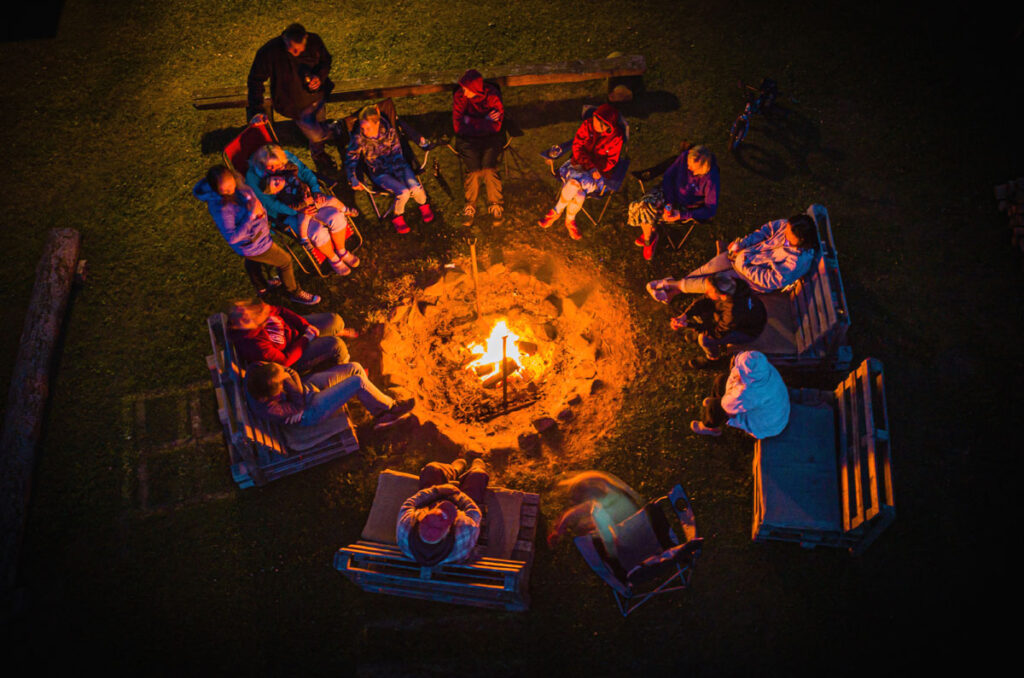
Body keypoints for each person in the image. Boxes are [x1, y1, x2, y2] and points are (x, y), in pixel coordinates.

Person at [193, 165, 320, 305]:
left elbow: (249, 197)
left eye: (232, 186)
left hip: (259, 235)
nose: (231, 191)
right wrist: (251, 216)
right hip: (254, 244)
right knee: (285, 261)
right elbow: (232, 237)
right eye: (226, 191)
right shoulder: (222, 209)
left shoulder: (238, 183)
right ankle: (294, 292)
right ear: (216, 190)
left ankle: (262, 287)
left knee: (253, 261)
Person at [247, 144, 360, 275]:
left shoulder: (286, 157)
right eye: (270, 167)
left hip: (307, 198)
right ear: (260, 164)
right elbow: (271, 204)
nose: (274, 170)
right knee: (318, 232)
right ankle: (333, 259)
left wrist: (316, 191)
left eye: (277, 165)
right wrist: (299, 210)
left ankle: (342, 251)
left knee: (337, 216)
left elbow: (306, 173)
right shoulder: (253, 177)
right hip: (286, 211)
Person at [648, 214, 817, 295]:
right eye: (786, 228)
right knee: (708, 268)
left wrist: (743, 265)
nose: (784, 232)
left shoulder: (797, 262)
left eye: (789, 234)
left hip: (752, 280)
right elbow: (765, 231)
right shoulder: (786, 227)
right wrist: (742, 245)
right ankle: (675, 289)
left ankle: (673, 286)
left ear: (801, 240)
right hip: (742, 256)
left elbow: (770, 280)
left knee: (712, 282)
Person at [247, 23, 339, 164]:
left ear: (306, 38)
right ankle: (336, 131)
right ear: (284, 39)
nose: (296, 54)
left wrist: (319, 77)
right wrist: (257, 109)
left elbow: (326, 61)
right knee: (315, 134)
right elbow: (255, 80)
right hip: (294, 103)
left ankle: (319, 152)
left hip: (317, 96)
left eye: (299, 50)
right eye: (292, 49)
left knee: (319, 123)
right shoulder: (270, 52)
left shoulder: (314, 41)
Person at [538, 103, 625, 240]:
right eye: (595, 119)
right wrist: (591, 166)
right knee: (578, 192)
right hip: (578, 165)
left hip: (596, 174)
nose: (594, 123)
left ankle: (556, 212)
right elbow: (577, 148)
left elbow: (611, 161)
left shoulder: (616, 137)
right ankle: (570, 220)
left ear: (608, 125)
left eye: (599, 122)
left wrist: (594, 169)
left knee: (574, 185)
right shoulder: (587, 125)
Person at [244, 361, 415, 430]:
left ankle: (378, 411)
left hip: (304, 389)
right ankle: (390, 409)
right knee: (357, 381)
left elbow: (289, 371)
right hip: (308, 413)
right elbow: (299, 405)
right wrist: (290, 380)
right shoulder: (269, 409)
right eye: (281, 386)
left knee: (355, 368)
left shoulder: (256, 369)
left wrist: (287, 378)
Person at [345, 104, 434, 234]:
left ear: (377, 123)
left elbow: (397, 151)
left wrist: (399, 171)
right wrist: (353, 177)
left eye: (368, 128)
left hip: (399, 165)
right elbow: (351, 158)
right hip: (380, 172)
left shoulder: (389, 131)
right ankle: (397, 216)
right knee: (403, 192)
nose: (364, 131)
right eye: (362, 128)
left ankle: (424, 205)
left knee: (416, 188)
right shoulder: (359, 138)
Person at [627, 144, 720, 261]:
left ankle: (649, 237)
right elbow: (668, 176)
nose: (688, 168)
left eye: (692, 168)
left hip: (684, 206)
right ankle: (650, 236)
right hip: (667, 192)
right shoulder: (685, 157)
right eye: (688, 164)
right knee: (643, 206)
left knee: (648, 214)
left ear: (702, 170)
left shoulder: (711, 178)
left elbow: (710, 209)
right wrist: (669, 202)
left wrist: (682, 215)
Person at [395, 456, 490, 566]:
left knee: (431, 469)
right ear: (448, 531)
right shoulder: (464, 530)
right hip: (460, 507)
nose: (440, 505)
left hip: (433, 504)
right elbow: (474, 512)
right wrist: (457, 494)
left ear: (421, 519)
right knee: (478, 476)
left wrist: (436, 490)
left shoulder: (406, 525)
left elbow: (409, 504)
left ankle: (454, 470)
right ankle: (475, 469)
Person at [227, 298, 356, 373]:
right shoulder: (255, 346)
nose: (265, 315)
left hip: (296, 332)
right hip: (293, 356)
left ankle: (332, 332)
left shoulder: (255, 311)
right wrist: (306, 339)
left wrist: (305, 326)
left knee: (335, 320)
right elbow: (284, 361)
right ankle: (345, 367)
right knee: (336, 345)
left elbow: (279, 310)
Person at [669, 273, 766, 368]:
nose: (706, 292)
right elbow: (704, 299)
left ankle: (713, 358)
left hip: (748, 331)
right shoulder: (734, 285)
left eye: (709, 291)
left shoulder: (733, 313)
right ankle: (702, 330)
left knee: (704, 339)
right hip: (748, 317)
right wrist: (685, 315)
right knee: (706, 308)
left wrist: (689, 325)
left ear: (722, 296)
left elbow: (716, 333)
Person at [546, 471, 643, 561]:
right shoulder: (615, 492)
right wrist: (560, 528)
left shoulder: (600, 513)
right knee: (585, 526)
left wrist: (611, 557)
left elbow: (609, 540)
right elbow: (577, 511)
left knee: (585, 530)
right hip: (643, 526)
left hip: (632, 544)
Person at [691, 350, 790, 439]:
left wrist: (733, 379)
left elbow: (727, 405)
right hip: (776, 411)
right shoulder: (765, 370)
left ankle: (710, 426)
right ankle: (715, 399)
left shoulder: (748, 393)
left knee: (715, 407)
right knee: (721, 380)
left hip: (767, 426)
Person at [452, 69, 505, 227]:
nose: (464, 92)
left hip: (490, 138)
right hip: (467, 140)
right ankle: (470, 206)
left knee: (488, 169)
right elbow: (458, 126)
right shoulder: (460, 96)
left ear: (475, 89)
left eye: (467, 89)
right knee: (475, 172)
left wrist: (471, 121)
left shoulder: (492, 96)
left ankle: (495, 204)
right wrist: (484, 120)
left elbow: (496, 126)